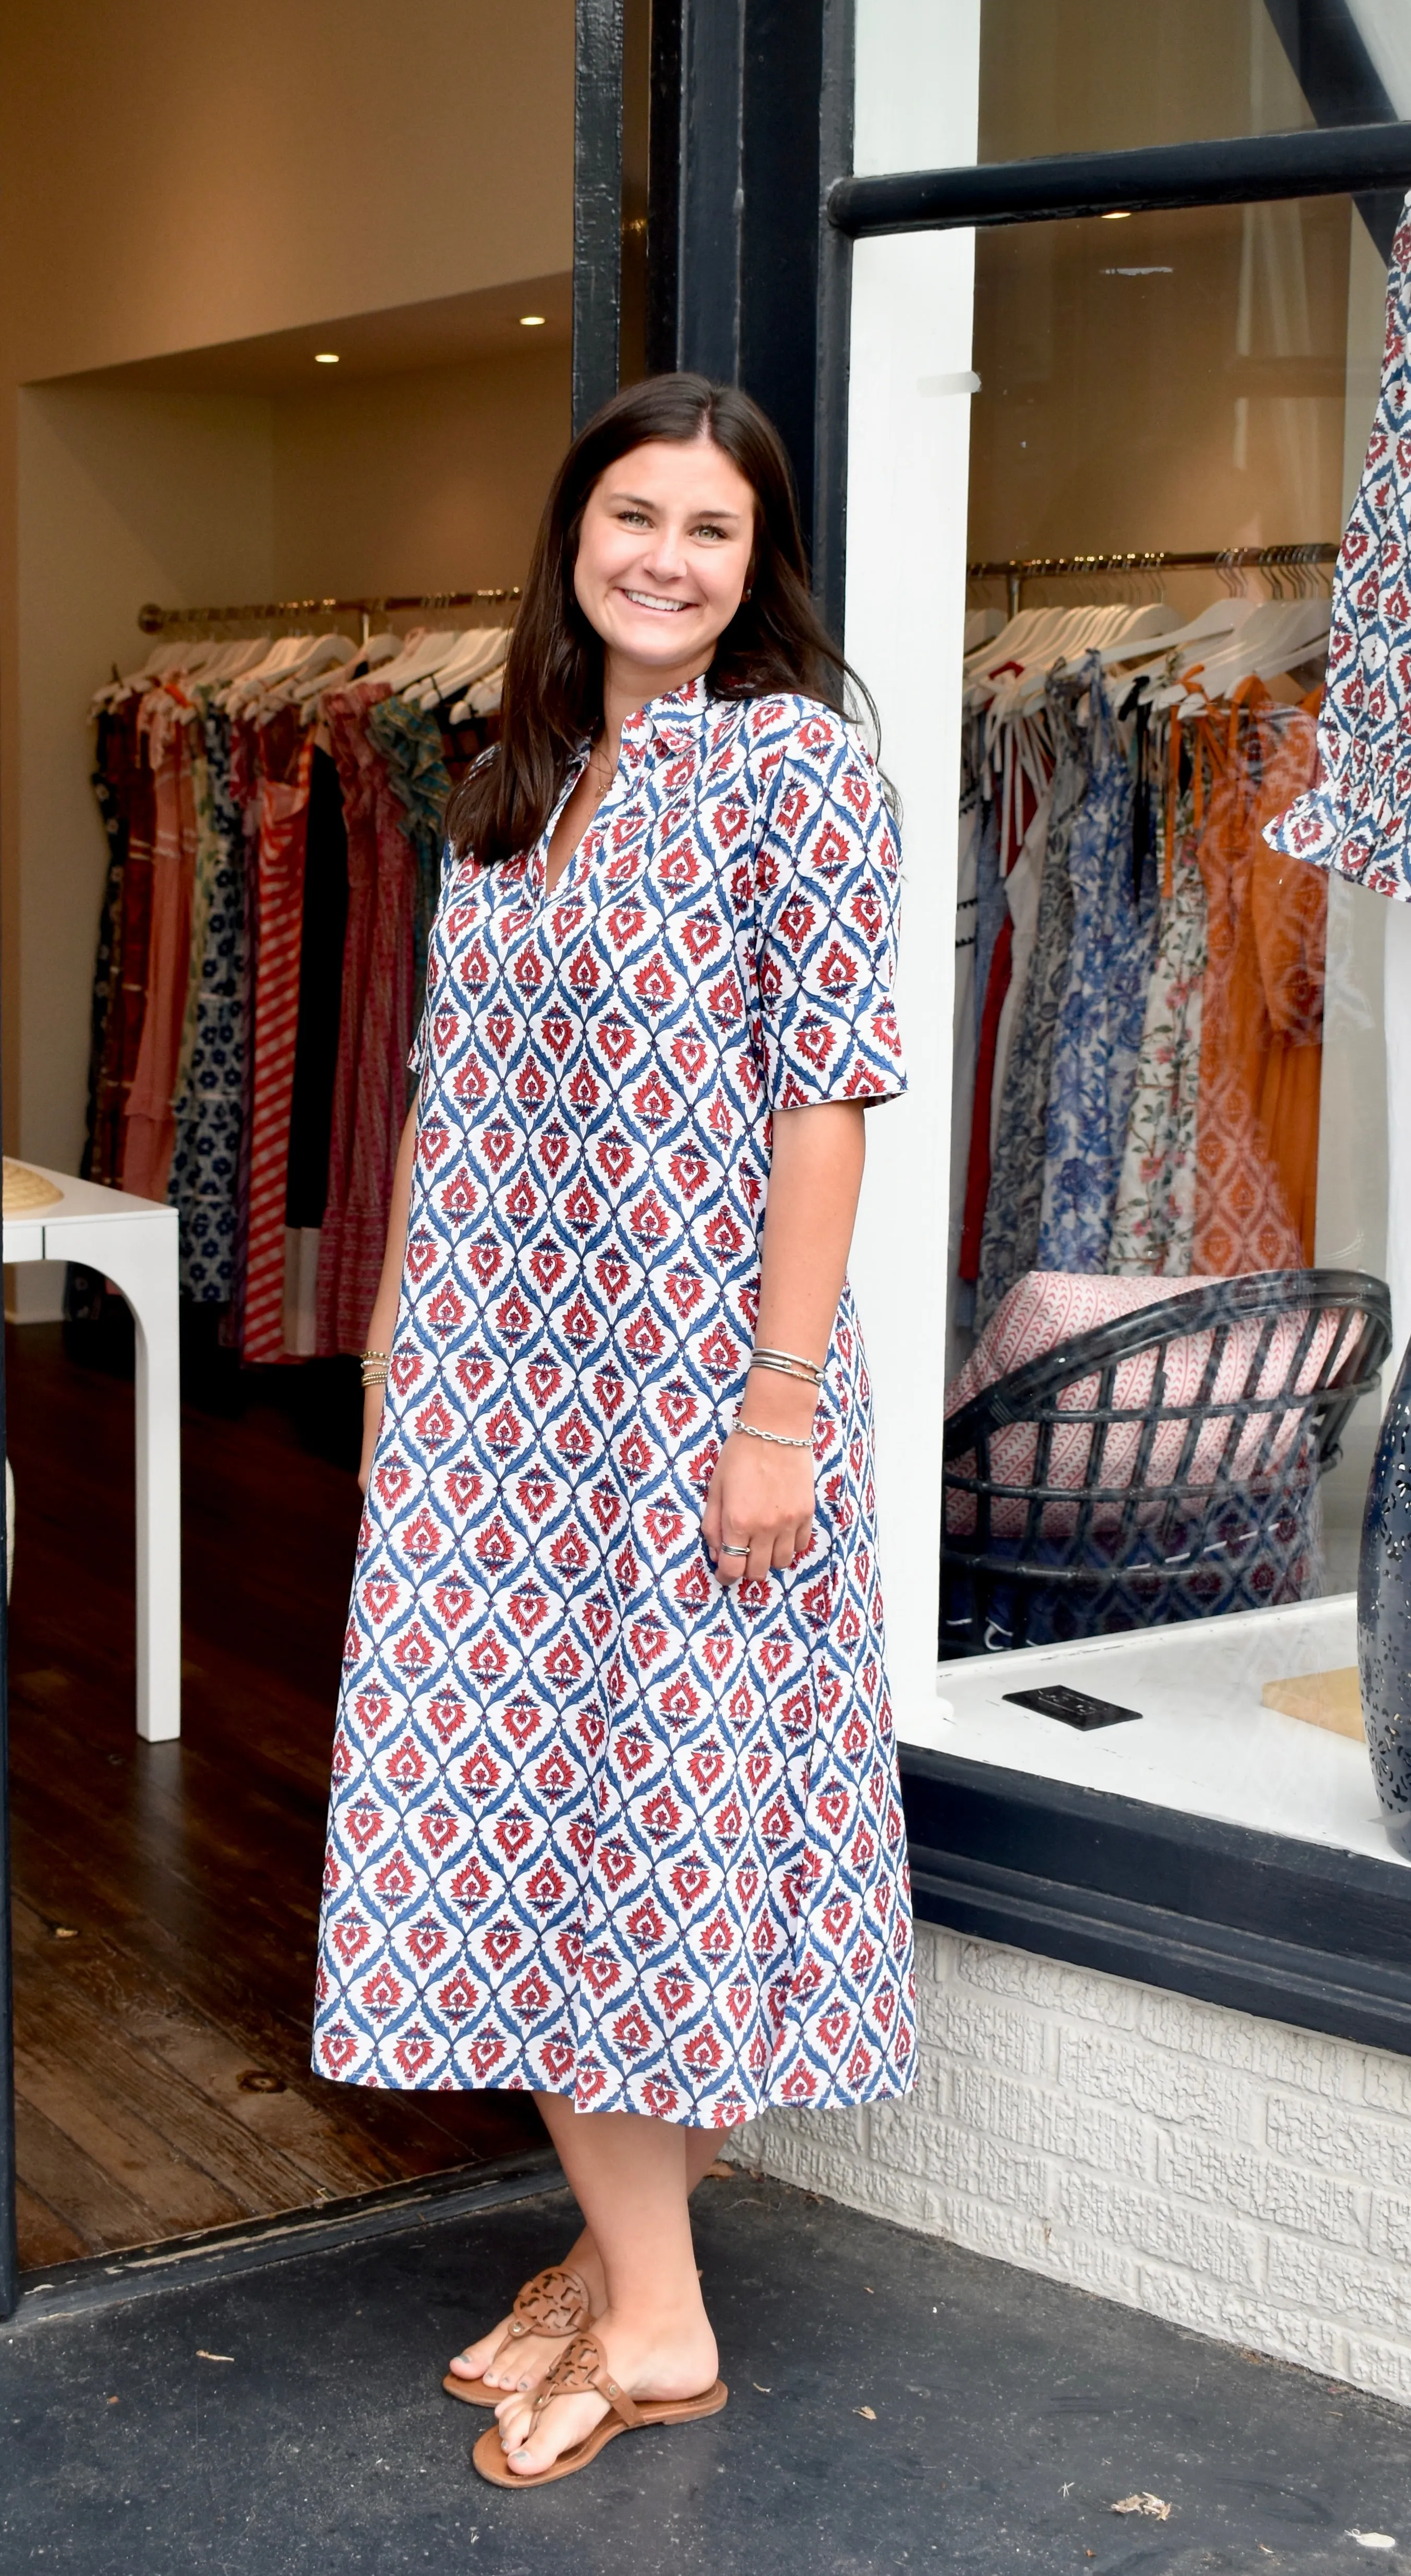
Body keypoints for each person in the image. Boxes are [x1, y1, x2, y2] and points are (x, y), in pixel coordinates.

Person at [312, 371, 918, 2488]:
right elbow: (448, 1093)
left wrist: (773, 1409)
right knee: (512, 1808)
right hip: (494, 1392)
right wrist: (400, 1343)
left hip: (687, 1395)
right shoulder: (521, 768)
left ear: (760, 570)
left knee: (630, 1841)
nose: (664, 556)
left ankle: (656, 2325)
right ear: (574, 531)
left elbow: (822, 1105)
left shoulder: (797, 774)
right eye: (631, 514)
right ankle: (614, 2241)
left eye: (711, 531)